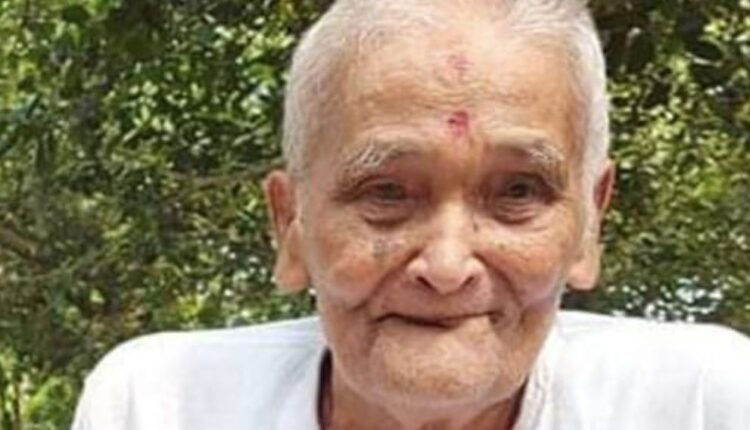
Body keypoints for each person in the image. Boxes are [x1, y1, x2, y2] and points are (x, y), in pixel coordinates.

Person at [71, 0, 750, 429]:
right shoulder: (160, 405)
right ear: (291, 224)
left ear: (589, 225)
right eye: (386, 193)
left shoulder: (701, 404)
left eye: (519, 192)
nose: (448, 267)